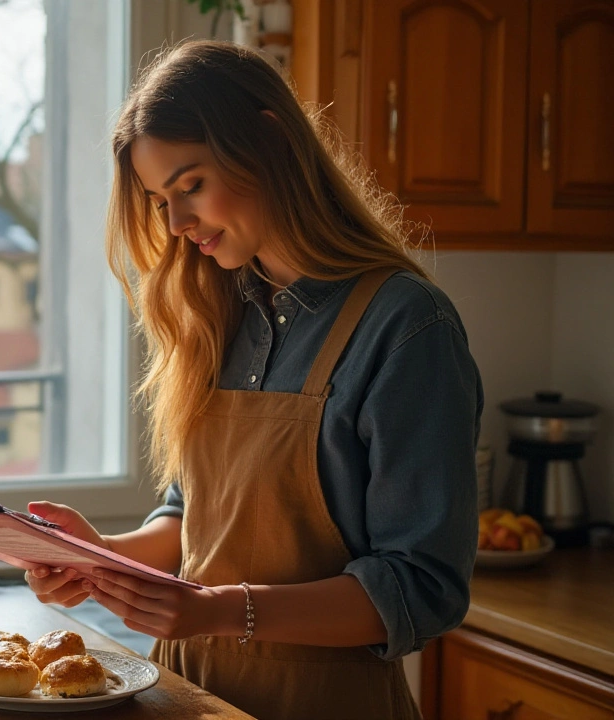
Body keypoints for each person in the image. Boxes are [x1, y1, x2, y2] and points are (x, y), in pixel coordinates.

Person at [24, 40, 482, 719]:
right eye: (159, 201)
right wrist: (106, 558)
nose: (176, 224)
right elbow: (197, 514)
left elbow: (421, 587)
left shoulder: (407, 326)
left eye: (190, 187)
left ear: (267, 140)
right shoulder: (219, 312)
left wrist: (216, 611)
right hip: (186, 694)